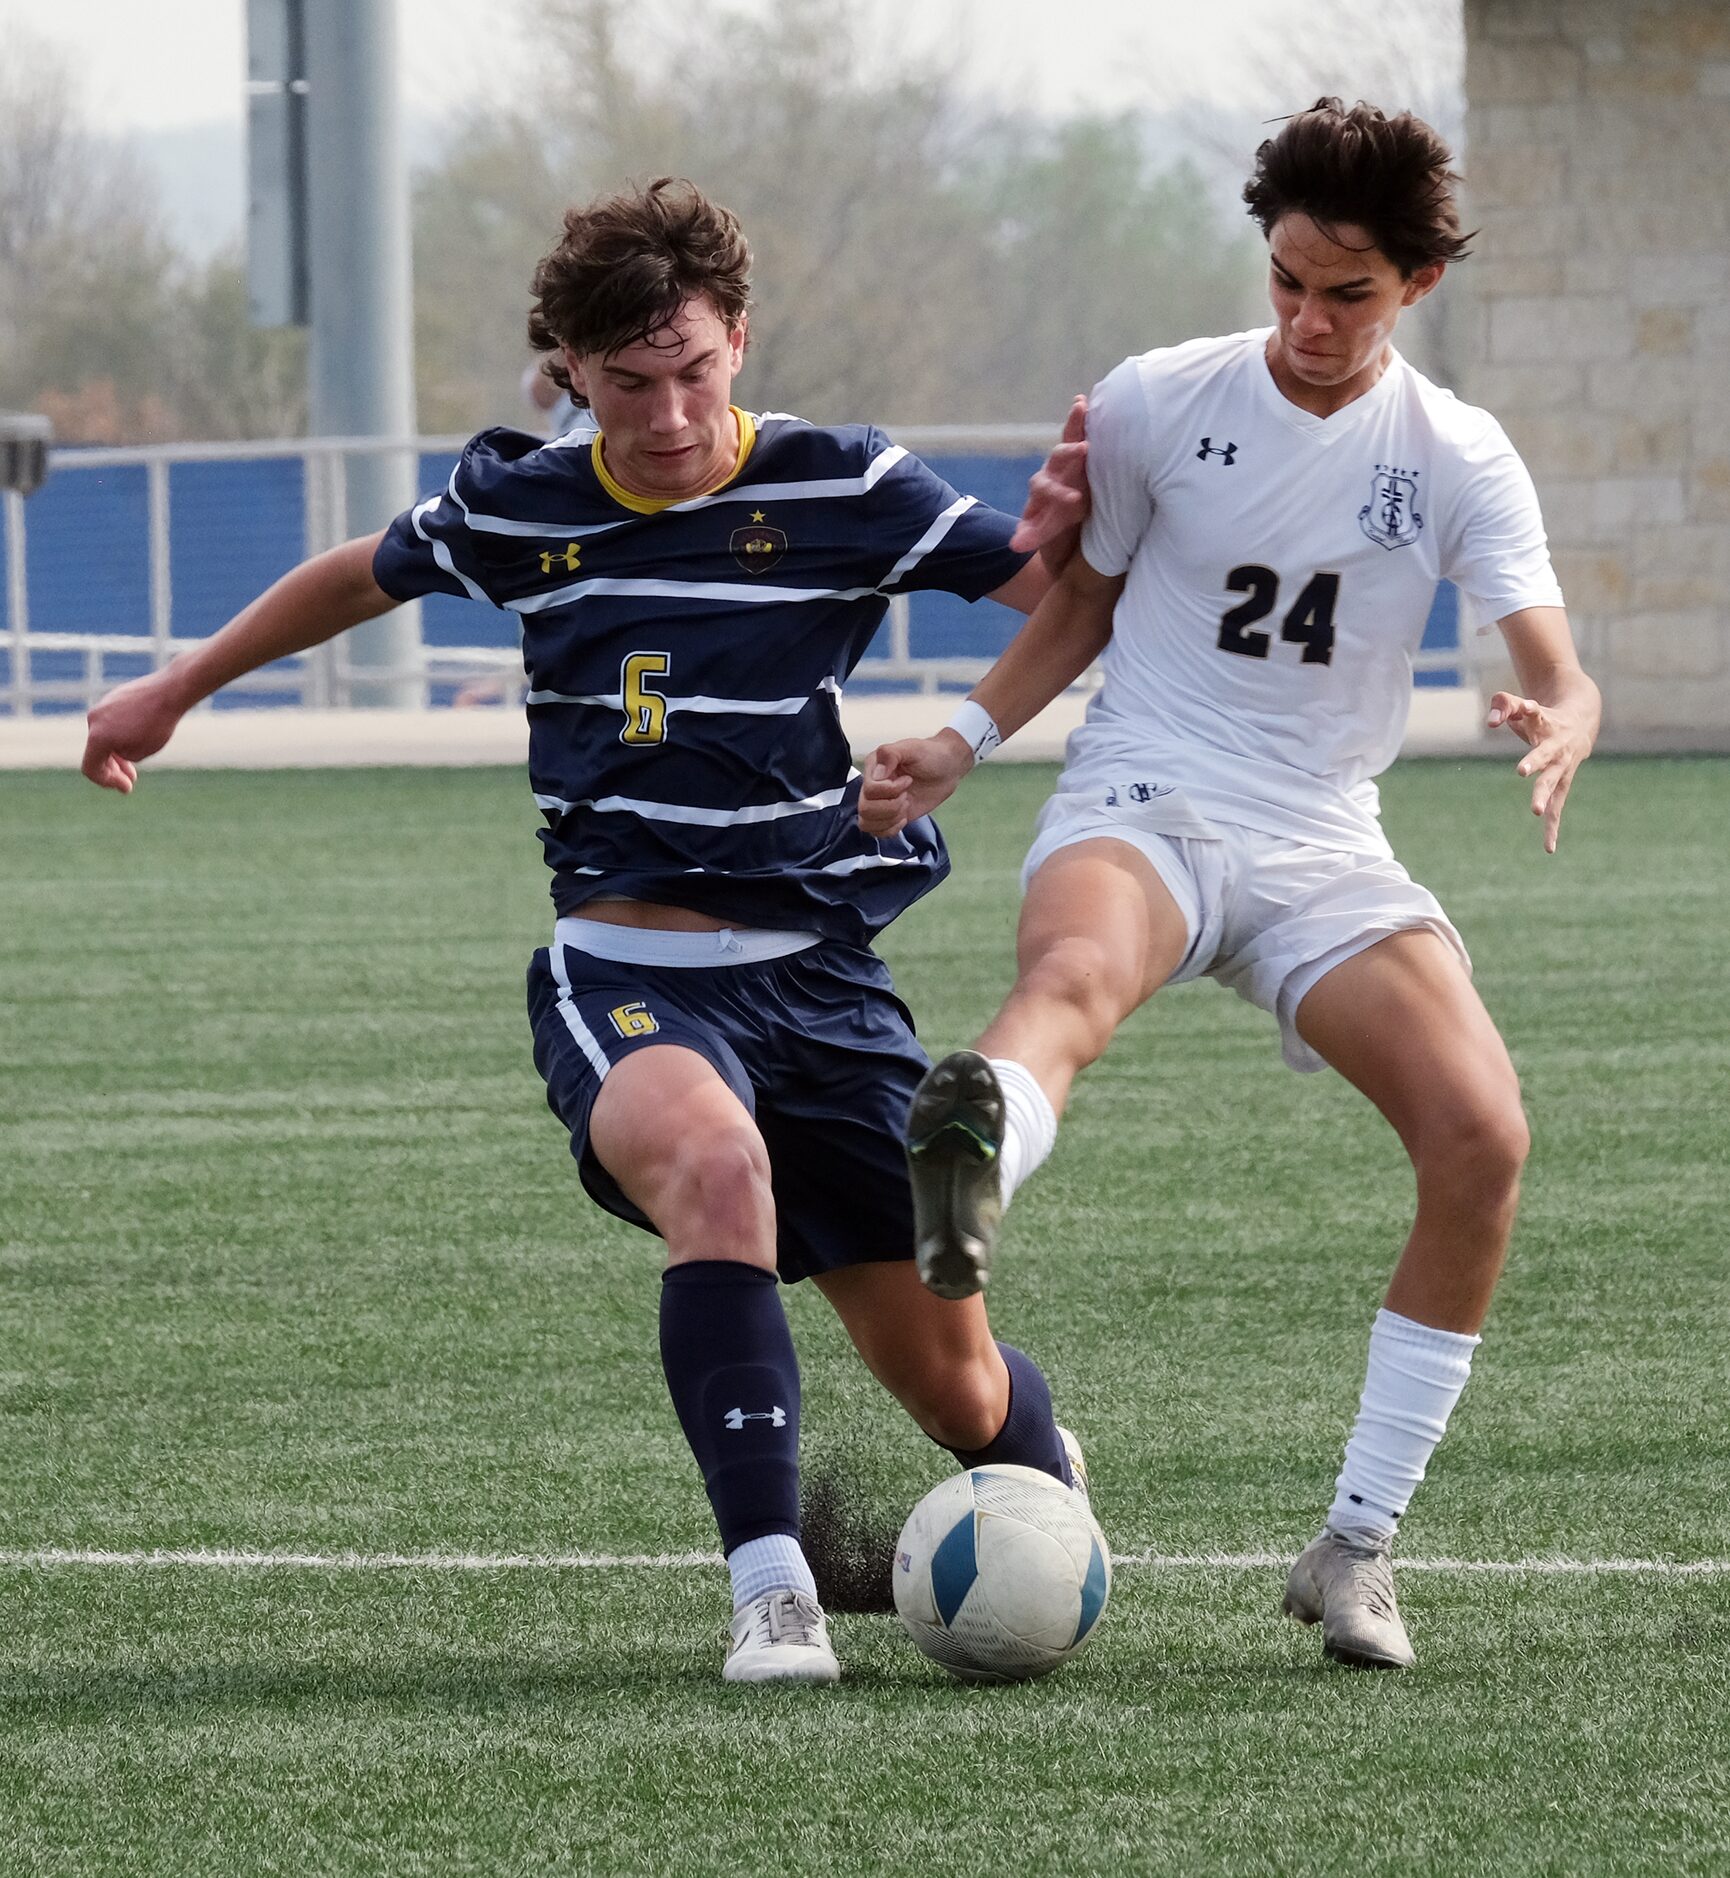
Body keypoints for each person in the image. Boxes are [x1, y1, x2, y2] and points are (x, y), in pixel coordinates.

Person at [81, 177, 1091, 1688]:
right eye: (628, 383)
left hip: (818, 973)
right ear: (569, 371)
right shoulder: (523, 503)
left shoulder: (843, 484)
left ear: (738, 340)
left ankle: (1038, 1486)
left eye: (694, 369)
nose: (670, 414)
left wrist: (960, 732)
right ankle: (772, 1594)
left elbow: (1067, 593)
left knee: (951, 1384)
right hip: (628, 967)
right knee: (714, 1167)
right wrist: (180, 685)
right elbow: (354, 574)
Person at [860, 100, 1601, 1671]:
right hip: (1149, 786)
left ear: (1412, 287)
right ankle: (969, 1150)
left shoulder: (1456, 452)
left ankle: (1355, 1545)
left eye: (1347, 293)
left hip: (1325, 837)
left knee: (1482, 1134)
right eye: (1285, 284)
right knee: (1066, 990)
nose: (1309, 322)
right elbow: (1081, 606)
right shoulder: (1154, 402)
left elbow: (1556, 661)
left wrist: (1562, 718)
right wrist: (965, 735)